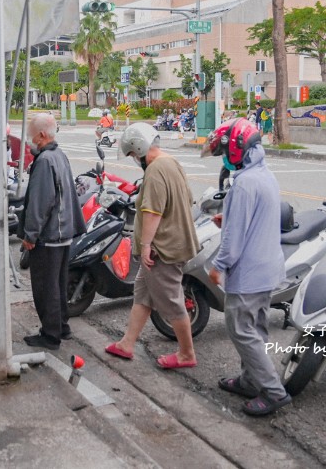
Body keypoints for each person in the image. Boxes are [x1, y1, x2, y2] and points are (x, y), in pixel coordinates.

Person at [204, 118, 291, 417]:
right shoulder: (265, 175)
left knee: (241, 330)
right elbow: (253, 220)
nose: (225, 160)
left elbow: (235, 237)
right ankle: (251, 380)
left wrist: (220, 266)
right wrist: (227, 218)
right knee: (256, 329)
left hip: (249, 272)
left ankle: (273, 391)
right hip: (268, 268)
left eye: (225, 152)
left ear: (238, 148)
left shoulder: (243, 183)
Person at [105, 123, 199, 369]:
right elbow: (186, 199)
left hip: (164, 250)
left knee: (171, 301)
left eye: (133, 154)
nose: (135, 159)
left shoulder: (156, 169)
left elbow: (153, 211)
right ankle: (127, 343)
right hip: (170, 243)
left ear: (139, 147)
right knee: (143, 294)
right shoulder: (171, 162)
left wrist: (146, 245)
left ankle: (186, 354)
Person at [19, 114, 86, 350]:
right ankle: (61, 326)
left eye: (31, 135)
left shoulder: (45, 160)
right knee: (57, 284)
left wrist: (30, 235)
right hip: (63, 232)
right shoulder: (59, 155)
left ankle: (50, 335)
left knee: (46, 287)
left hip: (49, 235)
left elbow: (40, 202)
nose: (29, 140)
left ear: (42, 135)